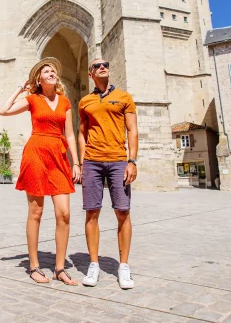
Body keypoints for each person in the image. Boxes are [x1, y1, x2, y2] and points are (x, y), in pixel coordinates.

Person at [0, 57, 81, 285]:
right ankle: (34, 266)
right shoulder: (33, 99)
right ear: (39, 78)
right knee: (36, 212)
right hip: (35, 154)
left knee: (64, 213)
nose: (51, 72)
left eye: (53, 70)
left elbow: (70, 134)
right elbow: (3, 111)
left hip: (58, 156)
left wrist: (76, 162)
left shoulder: (65, 102)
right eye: (46, 71)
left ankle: (60, 268)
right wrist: (20, 89)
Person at [78, 58, 138, 289]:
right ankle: (93, 264)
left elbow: (132, 130)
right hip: (92, 161)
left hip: (118, 161)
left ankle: (123, 266)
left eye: (105, 64)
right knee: (91, 213)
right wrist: (82, 162)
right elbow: (82, 133)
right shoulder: (85, 101)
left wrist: (132, 160)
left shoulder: (124, 97)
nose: (102, 67)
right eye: (96, 66)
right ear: (90, 74)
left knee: (123, 212)